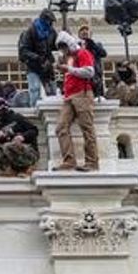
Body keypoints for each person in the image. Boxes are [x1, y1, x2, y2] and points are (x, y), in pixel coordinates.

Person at [53, 32, 98, 172]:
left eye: (64, 47)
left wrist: (69, 69)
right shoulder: (70, 58)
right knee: (61, 127)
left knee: (87, 128)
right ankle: (69, 161)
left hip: (82, 93)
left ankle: (92, 163)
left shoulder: (82, 53)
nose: (63, 51)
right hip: (69, 96)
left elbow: (90, 72)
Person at [0, 98, 39, 177]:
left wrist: (23, 136)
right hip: (9, 151)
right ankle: (9, 169)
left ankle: (29, 167)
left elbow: (34, 130)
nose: (2, 109)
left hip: (28, 150)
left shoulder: (18, 118)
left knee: (8, 146)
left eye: (4, 107)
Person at [17, 10, 58, 106]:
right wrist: (38, 58)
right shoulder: (30, 31)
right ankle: (34, 109)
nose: (50, 23)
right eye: (48, 20)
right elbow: (23, 50)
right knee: (34, 88)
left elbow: (56, 46)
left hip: (46, 65)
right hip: (33, 65)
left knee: (52, 89)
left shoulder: (52, 32)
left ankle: (53, 107)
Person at [78, 24, 107, 98]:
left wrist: (92, 43)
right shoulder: (77, 46)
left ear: (90, 34)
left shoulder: (96, 45)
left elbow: (103, 53)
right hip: (81, 76)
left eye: (86, 30)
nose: (84, 32)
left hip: (94, 76)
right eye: (82, 31)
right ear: (79, 35)